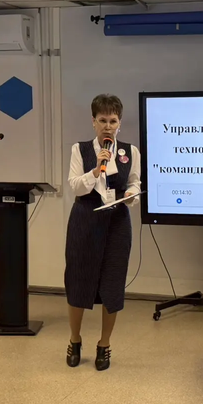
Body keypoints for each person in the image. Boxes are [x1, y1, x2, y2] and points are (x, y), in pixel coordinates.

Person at [65, 94, 140, 371]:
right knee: (78, 279)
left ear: (119, 123)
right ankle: (75, 339)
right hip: (85, 218)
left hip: (117, 221)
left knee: (112, 281)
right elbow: (75, 185)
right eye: (103, 120)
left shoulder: (130, 151)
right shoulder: (80, 149)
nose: (108, 126)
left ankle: (104, 344)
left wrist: (131, 195)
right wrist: (96, 170)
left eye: (113, 121)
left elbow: (134, 183)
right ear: (93, 122)